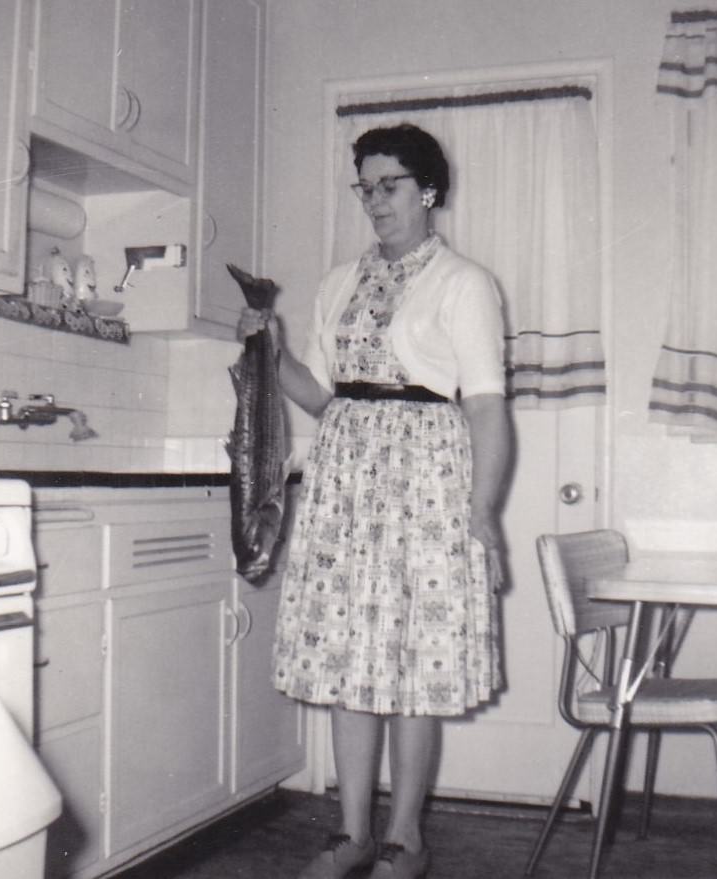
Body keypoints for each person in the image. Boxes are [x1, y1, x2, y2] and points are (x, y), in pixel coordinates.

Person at [237, 122, 511, 879]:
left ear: (427, 191)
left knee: (413, 664)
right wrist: (271, 347)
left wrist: (482, 510)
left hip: (425, 482)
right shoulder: (336, 283)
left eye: (390, 184)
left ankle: (406, 838)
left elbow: (486, 406)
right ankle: (350, 831)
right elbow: (321, 397)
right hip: (345, 483)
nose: (375, 200)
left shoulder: (465, 283)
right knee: (347, 660)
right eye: (366, 187)